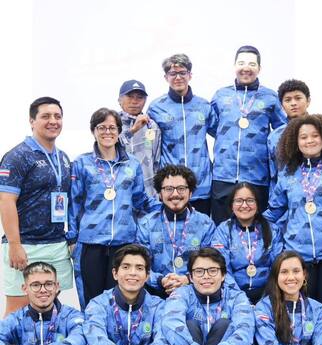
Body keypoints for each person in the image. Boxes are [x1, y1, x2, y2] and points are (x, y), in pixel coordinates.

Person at [68, 108, 158, 309]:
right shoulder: (82, 163)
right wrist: (72, 237)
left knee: (119, 299)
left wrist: (169, 203)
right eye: (101, 127)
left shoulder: (132, 165)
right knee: (91, 300)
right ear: (93, 131)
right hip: (90, 242)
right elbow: (74, 201)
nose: (107, 132)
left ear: (119, 131)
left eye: (112, 127)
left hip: (123, 241)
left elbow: (140, 200)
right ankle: (92, 338)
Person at [265, 114, 322, 304]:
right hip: (297, 256)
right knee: (300, 310)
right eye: (303, 137)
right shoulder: (287, 174)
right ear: (295, 141)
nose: (310, 141)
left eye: (315, 135)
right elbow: (273, 213)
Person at [0, 97, 73, 316]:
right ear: (32, 121)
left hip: (56, 245)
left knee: (49, 308)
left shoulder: (63, 158)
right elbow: (6, 201)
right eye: (46, 116)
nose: (53, 121)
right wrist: (15, 244)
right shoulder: (17, 156)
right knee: (17, 311)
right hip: (26, 245)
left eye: (57, 116)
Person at [211, 45, 286, 224]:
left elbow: (281, 131)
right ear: (234, 66)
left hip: (257, 177)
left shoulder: (270, 97)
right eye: (241, 63)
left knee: (256, 231)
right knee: (222, 230)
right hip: (223, 176)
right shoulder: (220, 95)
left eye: (252, 64)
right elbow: (213, 126)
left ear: (259, 68)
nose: (246, 67)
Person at [148, 54, 216, 215]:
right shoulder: (156, 107)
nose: (178, 77)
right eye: (173, 73)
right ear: (166, 77)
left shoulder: (204, 106)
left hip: (202, 185)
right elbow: (148, 145)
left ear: (190, 75)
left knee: (200, 235)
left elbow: (223, 138)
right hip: (171, 187)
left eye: (182, 73)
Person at [137, 165, 215, 298]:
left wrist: (187, 279)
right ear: (160, 194)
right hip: (154, 295)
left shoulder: (205, 224)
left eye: (181, 189)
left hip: (195, 294)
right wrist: (161, 280)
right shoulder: (146, 224)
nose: (175, 194)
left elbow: (211, 262)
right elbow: (139, 264)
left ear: (190, 193)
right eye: (168, 189)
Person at [211, 182, 282, 304]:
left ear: (258, 204)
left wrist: (267, 295)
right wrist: (238, 297)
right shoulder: (223, 230)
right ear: (232, 205)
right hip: (233, 295)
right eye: (239, 201)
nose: (244, 205)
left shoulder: (272, 229)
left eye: (250, 200)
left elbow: (278, 266)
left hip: (268, 294)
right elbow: (221, 268)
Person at [118, 79, 161, 198]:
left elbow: (156, 162)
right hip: (119, 193)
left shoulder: (152, 126)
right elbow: (106, 150)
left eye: (139, 97)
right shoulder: (111, 123)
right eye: (130, 97)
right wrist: (133, 129)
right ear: (120, 100)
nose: (134, 101)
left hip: (147, 193)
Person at [267, 79, 311, 193]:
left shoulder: (321, 130)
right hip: (284, 196)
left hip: (316, 194)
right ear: (281, 105)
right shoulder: (274, 136)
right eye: (288, 100)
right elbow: (273, 174)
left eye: (298, 98)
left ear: (308, 101)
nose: (293, 103)